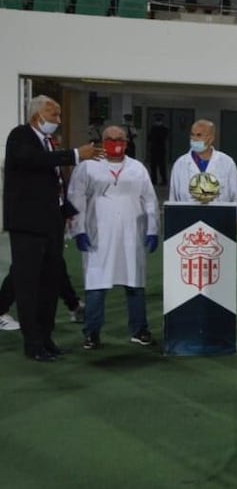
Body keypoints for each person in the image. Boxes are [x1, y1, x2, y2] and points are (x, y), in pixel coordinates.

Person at [3, 95, 98, 362]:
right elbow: (30, 160)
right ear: (37, 115)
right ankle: (33, 344)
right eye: (53, 114)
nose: (57, 119)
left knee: (49, 283)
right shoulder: (20, 136)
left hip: (50, 224)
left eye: (58, 114)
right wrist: (76, 155)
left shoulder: (48, 142)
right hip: (27, 225)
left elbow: (50, 184)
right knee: (28, 285)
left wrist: (67, 212)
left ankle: (46, 338)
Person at [67, 124, 159, 350]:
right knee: (96, 286)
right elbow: (75, 198)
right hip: (98, 236)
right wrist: (78, 230)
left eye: (120, 139)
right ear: (102, 141)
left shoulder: (137, 168)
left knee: (135, 284)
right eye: (110, 138)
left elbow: (150, 200)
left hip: (132, 236)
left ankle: (139, 330)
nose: (115, 143)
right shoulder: (88, 167)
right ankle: (91, 333)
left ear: (127, 143)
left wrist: (153, 229)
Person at [169, 119, 237, 252]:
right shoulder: (180, 164)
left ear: (211, 138)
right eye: (192, 134)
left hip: (220, 227)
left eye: (199, 135)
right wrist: (172, 234)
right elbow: (173, 201)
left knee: (219, 268)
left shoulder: (226, 163)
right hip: (188, 229)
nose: (194, 138)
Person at [147, 113, 170, 187]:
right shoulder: (153, 128)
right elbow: (149, 138)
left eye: (158, 120)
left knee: (161, 166)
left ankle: (163, 180)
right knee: (153, 166)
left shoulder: (163, 129)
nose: (158, 121)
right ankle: (154, 180)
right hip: (155, 149)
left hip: (160, 149)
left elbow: (164, 137)